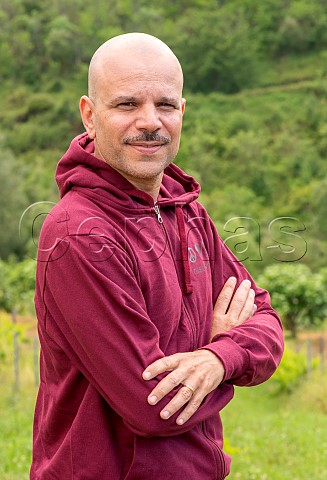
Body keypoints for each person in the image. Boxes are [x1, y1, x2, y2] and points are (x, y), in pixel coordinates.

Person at [30, 33, 284, 479]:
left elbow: (268, 324)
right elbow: (155, 407)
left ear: (182, 112)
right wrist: (223, 349)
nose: (150, 122)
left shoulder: (187, 211)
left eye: (165, 105)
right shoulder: (78, 235)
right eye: (126, 104)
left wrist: (217, 357)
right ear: (89, 115)